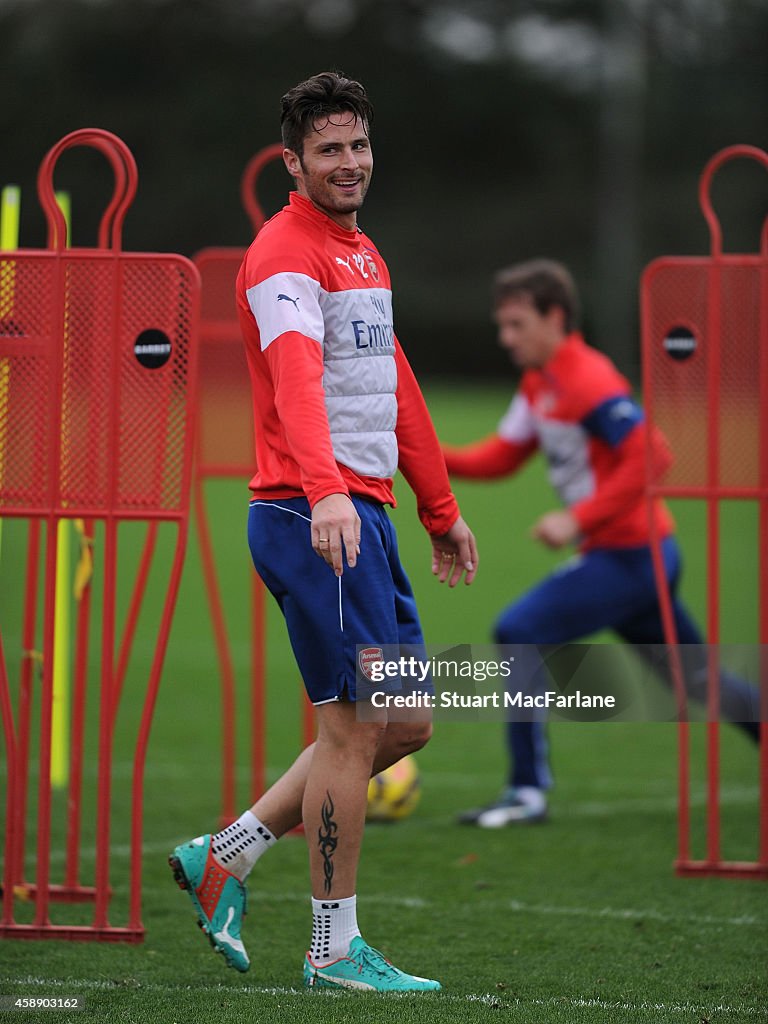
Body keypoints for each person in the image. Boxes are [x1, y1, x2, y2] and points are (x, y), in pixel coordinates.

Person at [168, 71, 477, 991]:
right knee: (350, 732)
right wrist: (325, 491)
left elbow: (397, 388)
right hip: (313, 514)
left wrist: (442, 508)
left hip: (363, 513)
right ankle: (332, 951)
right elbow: (297, 379)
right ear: (295, 162)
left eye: (360, 146)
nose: (351, 163)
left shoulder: (363, 253)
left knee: (407, 723)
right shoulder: (280, 255)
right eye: (331, 150)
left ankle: (224, 854)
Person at [442, 259, 759, 828]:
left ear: (555, 316)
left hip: (631, 557)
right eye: (502, 325)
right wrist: (415, 456)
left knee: (520, 630)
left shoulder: (586, 378)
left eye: (517, 324)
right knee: (698, 679)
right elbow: (501, 457)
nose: (505, 338)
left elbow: (653, 455)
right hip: (637, 558)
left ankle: (527, 792)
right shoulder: (541, 382)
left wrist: (577, 517)